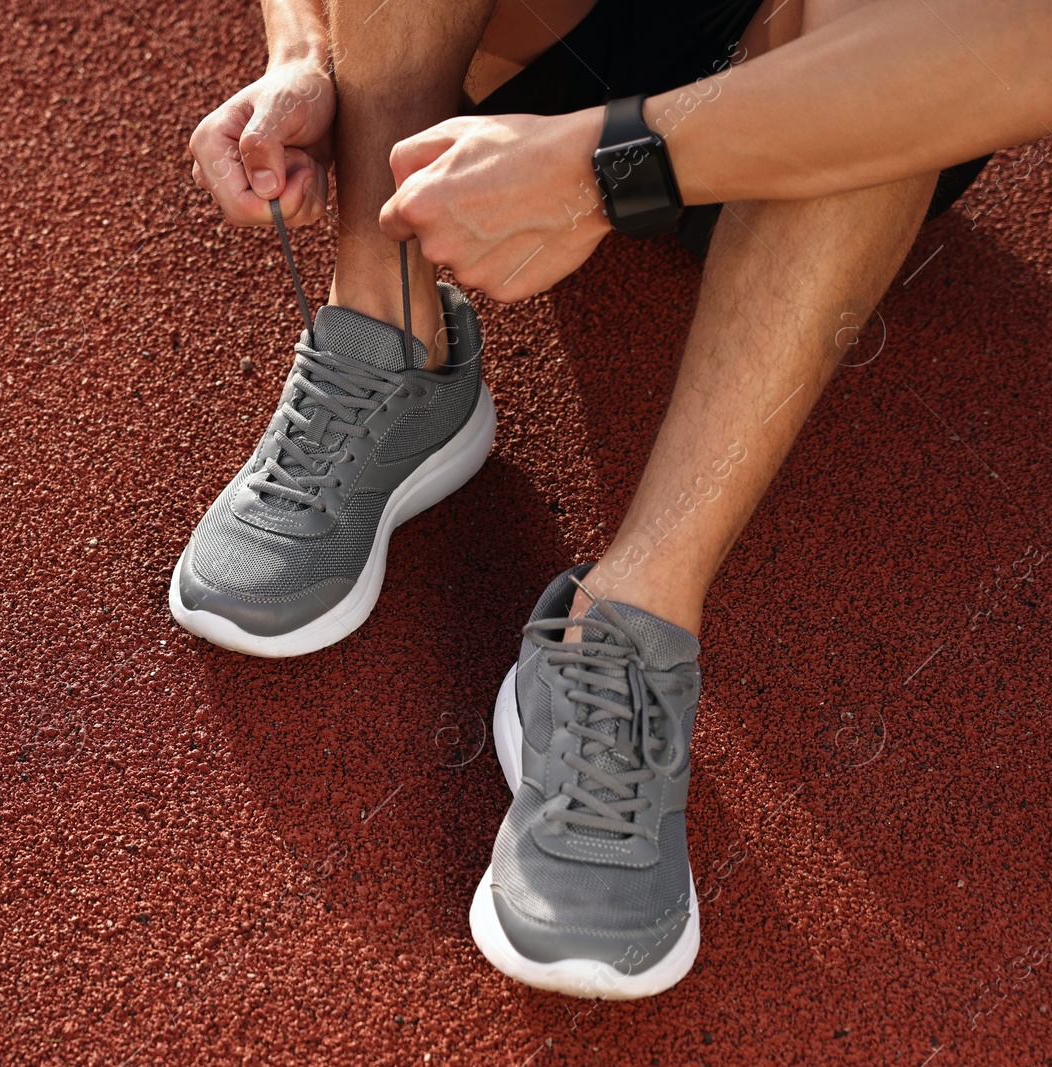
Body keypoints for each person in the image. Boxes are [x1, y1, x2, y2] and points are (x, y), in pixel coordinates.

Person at [171, 0, 1052, 999]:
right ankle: (390, 333)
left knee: (907, 36)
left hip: (849, 91)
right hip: (554, 47)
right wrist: (305, 49)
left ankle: (634, 611)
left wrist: (602, 171)